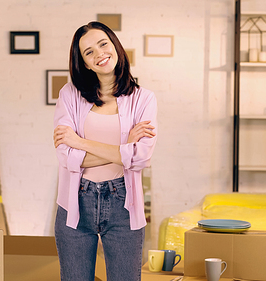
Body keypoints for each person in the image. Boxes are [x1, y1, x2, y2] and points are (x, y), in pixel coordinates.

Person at [53, 21, 158, 281]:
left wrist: (81, 142)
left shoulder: (143, 99)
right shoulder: (69, 95)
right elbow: (67, 157)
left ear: (115, 47)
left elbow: (141, 157)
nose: (99, 54)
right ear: (85, 63)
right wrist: (124, 150)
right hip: (75, 201)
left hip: (124, 202)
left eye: (103, 45)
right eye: (89, 52)